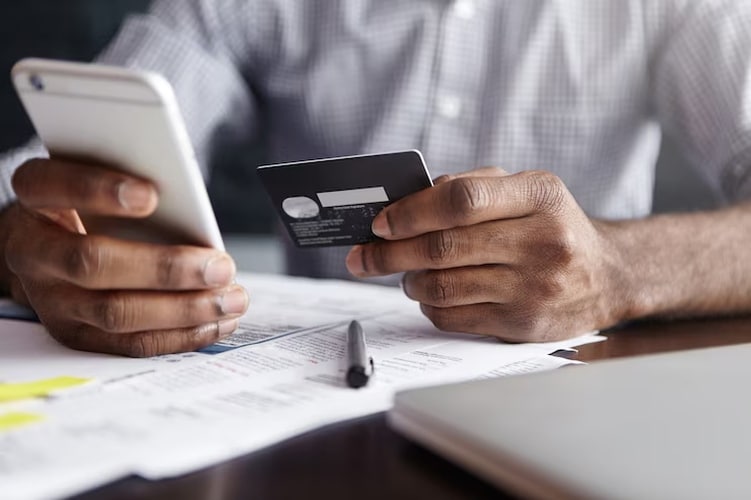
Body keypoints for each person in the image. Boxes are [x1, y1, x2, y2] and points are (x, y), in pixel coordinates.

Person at [1, 0, 751, 357]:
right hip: (303, 397)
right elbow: (47, 174)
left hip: (580, 384)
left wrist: (620, 269)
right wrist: (24, 247)